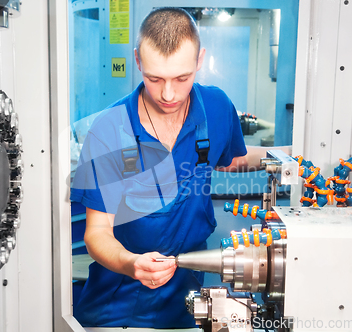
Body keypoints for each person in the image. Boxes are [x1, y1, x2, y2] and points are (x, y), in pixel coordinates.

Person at [71, 7, 272, 328]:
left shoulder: (217, 107)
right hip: (118, 302)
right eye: (154, 78)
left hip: (187, 297)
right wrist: (131, 263)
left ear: (200, 60)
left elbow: (232, 159)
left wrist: (283, 158)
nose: (168, 94)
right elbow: (97, 232)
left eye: (182, 78)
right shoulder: (110, 129)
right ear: (137, 60)